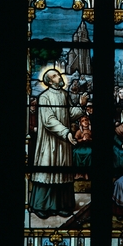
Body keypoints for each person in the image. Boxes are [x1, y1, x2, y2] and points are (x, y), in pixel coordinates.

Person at [29, 69, 87, 219]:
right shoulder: (44, 97)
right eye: (54, 76)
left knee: (62, 172)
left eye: (58, 74)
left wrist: (81, 106)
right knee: (48, 171)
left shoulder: (64, 95)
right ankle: (41, 206)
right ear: (49, 81)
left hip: (63, 141)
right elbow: (49, 120)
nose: (59, 77)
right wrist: (66, 132)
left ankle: (61, 205)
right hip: (49, 141)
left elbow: (71, 114)